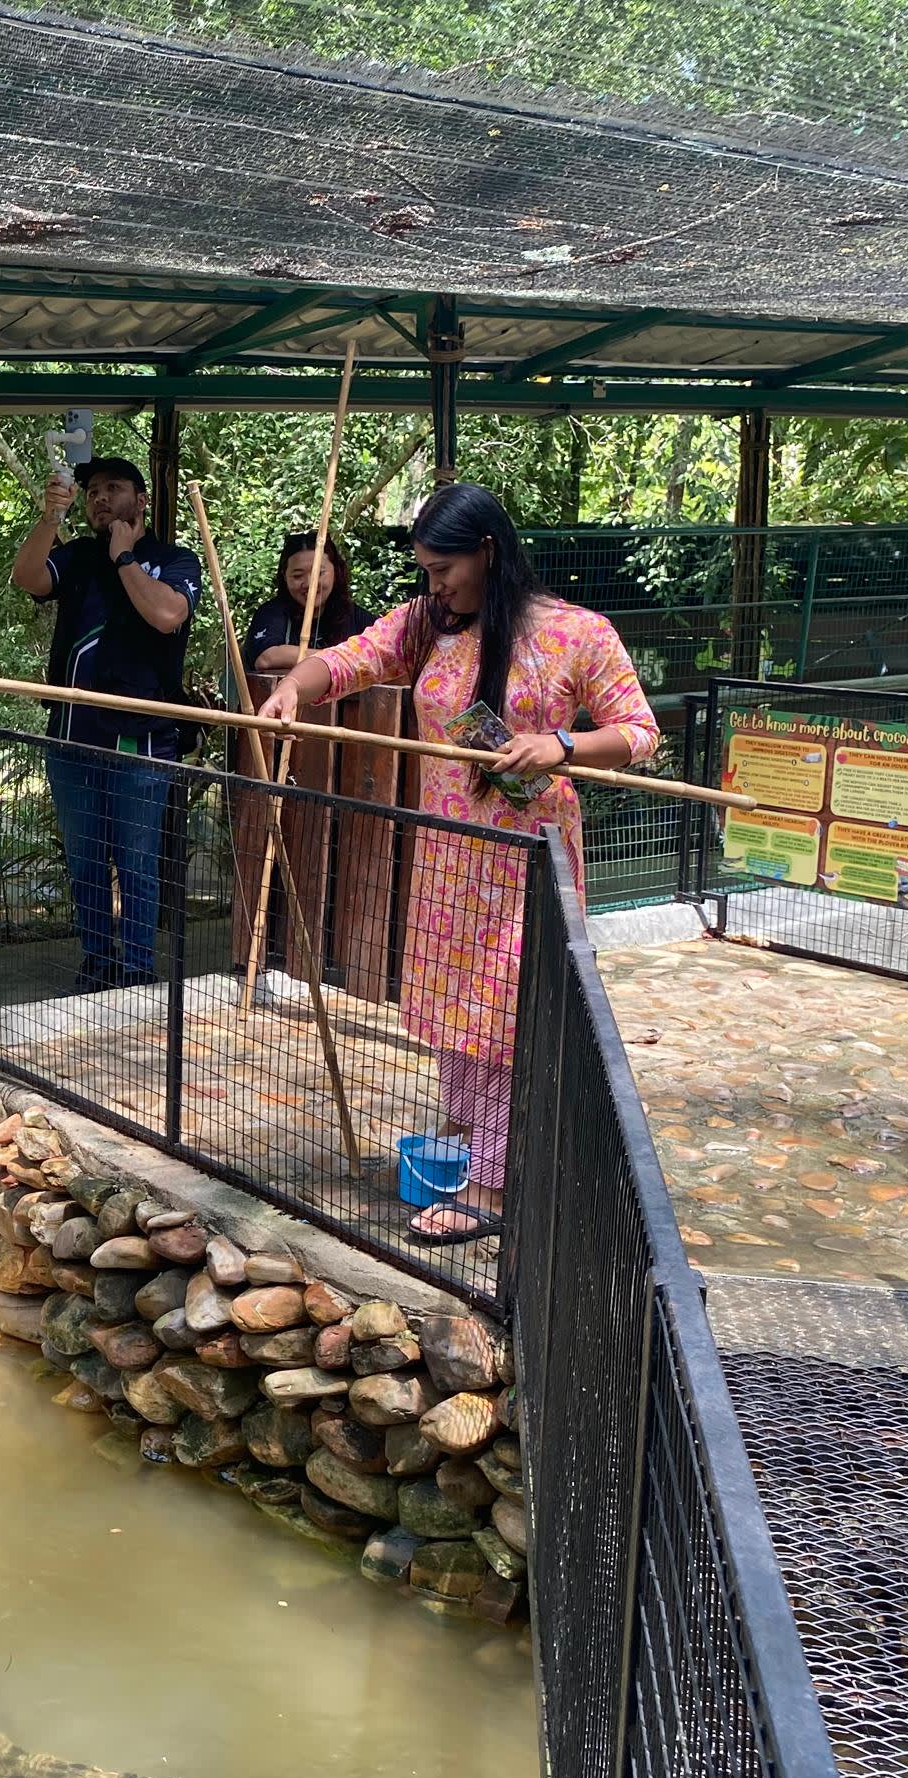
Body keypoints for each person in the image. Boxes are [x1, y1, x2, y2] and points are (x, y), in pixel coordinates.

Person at [260, 483, 658, 1246]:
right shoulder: (427, 622)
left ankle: (490, 1187)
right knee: (454, 1008)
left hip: (527, 861)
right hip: (447, 855)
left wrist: (561, 746)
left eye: (444, 568)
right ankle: (474, 1135)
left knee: (508, 1015)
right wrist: (290, 690)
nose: (433, 584)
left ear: (487, 552)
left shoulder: (578, 633)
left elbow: (638, 733)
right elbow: (348, 661)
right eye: (426, 571)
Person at [8, 454, 204, 990]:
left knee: (137, 862)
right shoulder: (77, 556)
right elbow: (27, 576)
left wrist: (124, 558)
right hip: (72, 737)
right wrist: (50, 518)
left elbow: (166, 615)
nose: (99, 497)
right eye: (92, 489)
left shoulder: (174, 560)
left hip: (142, 740)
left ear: (140, 500)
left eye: (113, 487)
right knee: (86, 861)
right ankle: (97, 962)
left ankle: (138, 968)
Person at [232, 529, 375, 1010]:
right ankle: (269, 952)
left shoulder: (355, 617)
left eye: (318, 573)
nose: (308, 584)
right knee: (278, 847)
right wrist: (342, 660)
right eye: (297, 574)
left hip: (346, 765)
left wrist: (336, 661)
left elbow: (383, 662)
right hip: (279, 754)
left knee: (335, 854)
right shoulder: (274, 614)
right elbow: (268, 656)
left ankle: (332, 953)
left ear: (337, 572)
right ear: (284, 576)